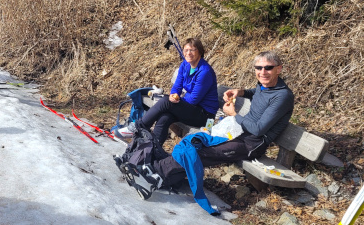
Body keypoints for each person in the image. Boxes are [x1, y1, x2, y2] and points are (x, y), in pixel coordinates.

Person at [121, 51, 294, 214]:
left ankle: (155, 174)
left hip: (252, 143)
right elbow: (257, 92)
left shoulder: (283, 96)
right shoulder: (266, 86)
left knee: (200, 152)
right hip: (238, 131)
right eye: (259, 68)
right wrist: (239, 92)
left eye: (268, 68)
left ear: (279, 69)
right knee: (193, 143)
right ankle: (162, 174)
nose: (263, 72)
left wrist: (234, 114)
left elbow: (258, 129)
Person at [118, 38, 219, 145]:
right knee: (165, 117)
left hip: (204, 115)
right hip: (191, 109)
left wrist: (175, 100)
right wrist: (173, 95)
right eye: (186, 50)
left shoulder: (204, 72)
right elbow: (177, 86)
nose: (188, 53)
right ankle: (153, 151)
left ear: (200, 51)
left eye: (192, 50)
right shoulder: (185, 65)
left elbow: (194, 99)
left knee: (166, 101)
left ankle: (138, 126)